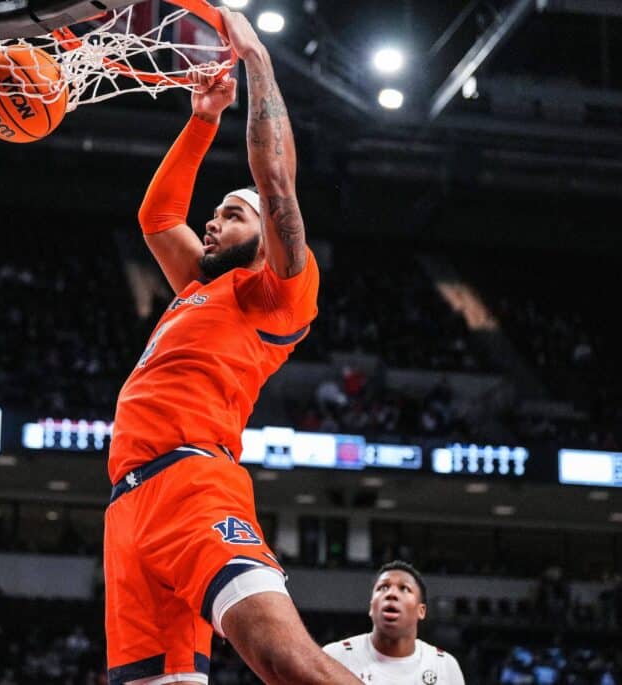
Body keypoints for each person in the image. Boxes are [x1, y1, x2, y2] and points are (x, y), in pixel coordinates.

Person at [103, 8, 363, 685]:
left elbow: (275, 180)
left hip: (194, 483)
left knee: (284, 661)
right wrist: (202, 121)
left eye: (232, 214)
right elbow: (158, 217)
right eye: (216, 212)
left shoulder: (275, 291)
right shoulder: (200, 286)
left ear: (267, 237)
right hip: (128, 505)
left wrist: (257, 62)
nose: (213, 221)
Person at [324, 561, 464, 685]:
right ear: (371, 607)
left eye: (404, 588)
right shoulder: (336, 656)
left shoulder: (444, 666)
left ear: (421, 611)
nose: (391, 594)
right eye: (383, 587)